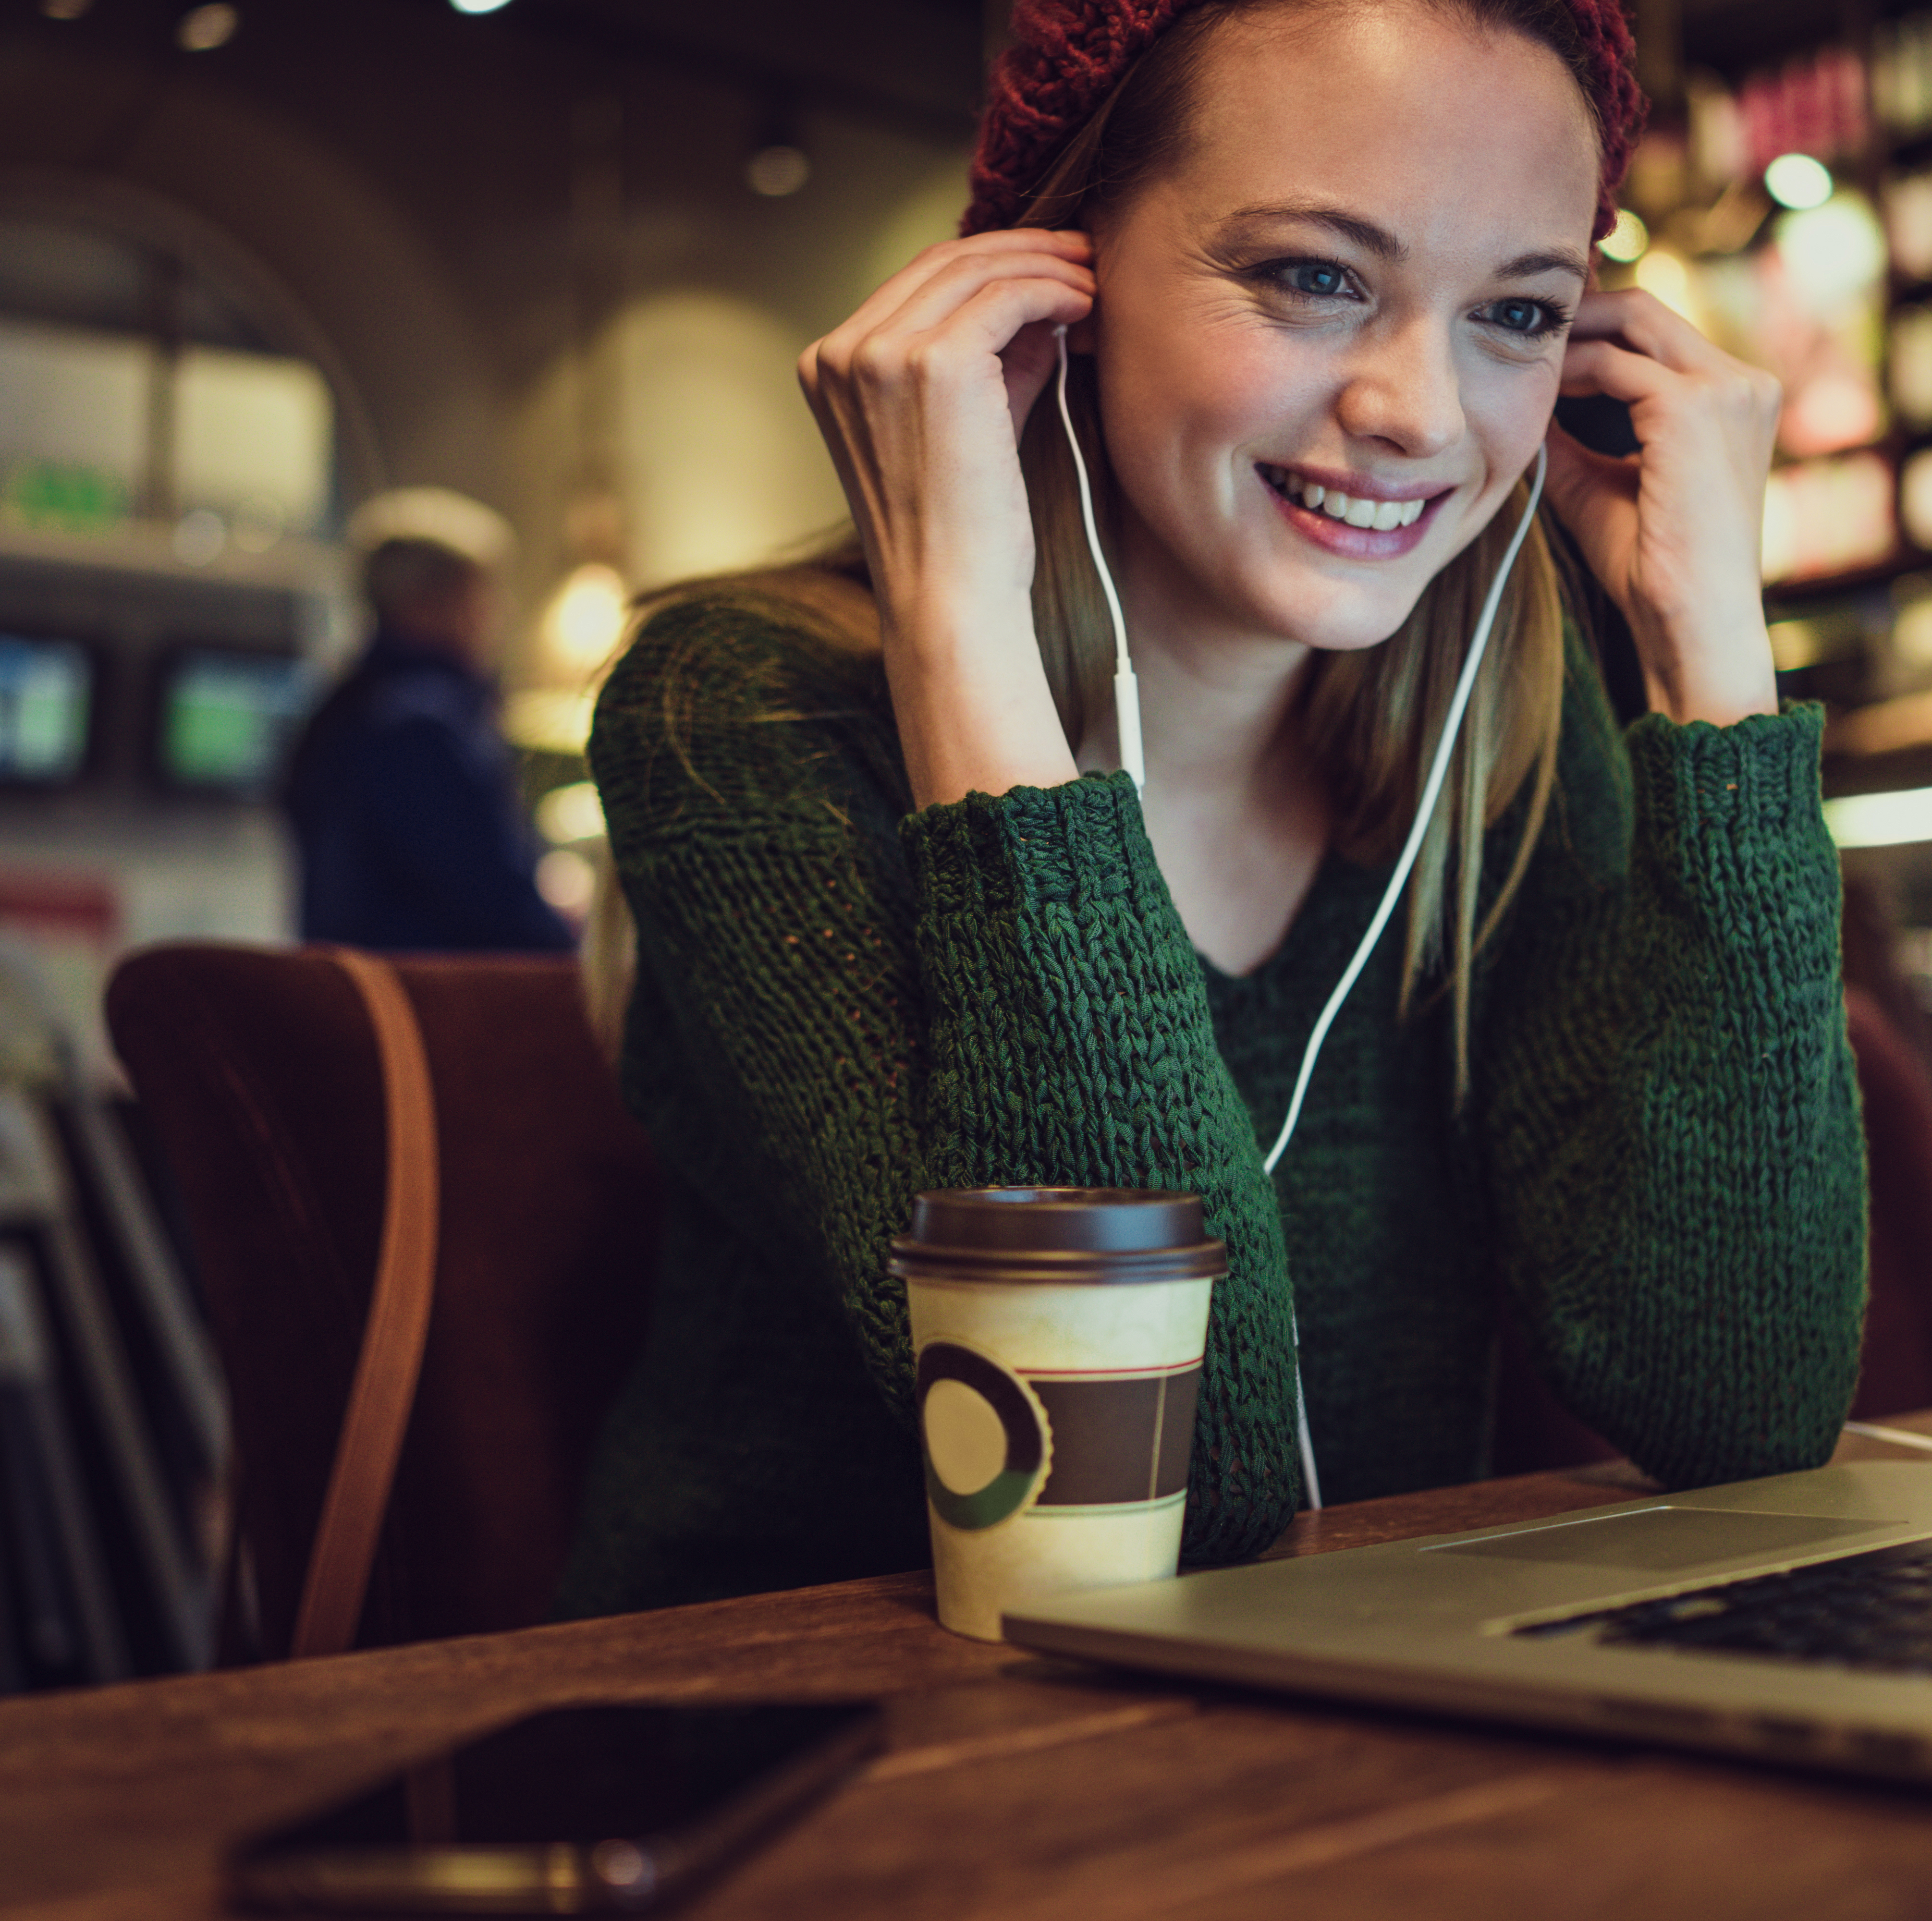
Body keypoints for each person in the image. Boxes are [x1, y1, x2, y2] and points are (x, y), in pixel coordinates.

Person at [558, 0, 1865, 1620]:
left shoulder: (1505, 741)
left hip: (1352, 1742)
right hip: (820, 1756)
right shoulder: (740, 707)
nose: (1422, 413)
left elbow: (1741, 1399)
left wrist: (1716, 660)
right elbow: (1170, 1493)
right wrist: (959, 625)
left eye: (1519, 314)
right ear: (1062, 273)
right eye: (1317, 277)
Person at [284, 488, 575, 954]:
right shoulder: (421, 729)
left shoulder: (348, 708)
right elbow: (492, 901)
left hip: (358, 995)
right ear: (429, 604)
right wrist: (580, 948)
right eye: (485, 595)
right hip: (426, 1006)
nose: (502, 615)